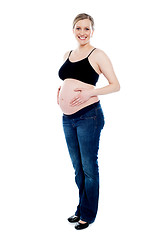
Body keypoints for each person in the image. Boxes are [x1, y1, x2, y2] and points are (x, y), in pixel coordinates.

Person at [57, 13, 120, 230]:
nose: (82, 32)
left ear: (92, 31)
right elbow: (69, 79)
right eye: (78, 28)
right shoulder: (68, 54)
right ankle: (80, 208)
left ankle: (88, 215)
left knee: (89, 168)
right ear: (73, 30)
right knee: (78, 168)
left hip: (89, 116)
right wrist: (61, 92)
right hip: (67, 118)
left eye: (87, 29)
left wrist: (89, 92)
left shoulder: (98, 54)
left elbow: (115, 85)